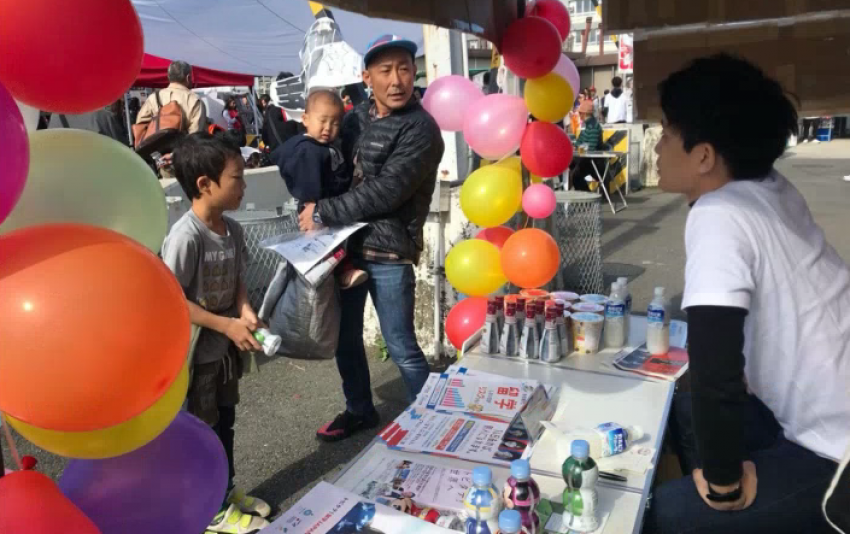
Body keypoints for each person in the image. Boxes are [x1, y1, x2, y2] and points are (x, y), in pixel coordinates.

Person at [644, 53, 849, 534]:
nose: (656, 147)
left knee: (665, 513)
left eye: (667, 134)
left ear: (704, 156)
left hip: (836, 449)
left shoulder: (719, 214)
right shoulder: (768, 185)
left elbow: (715, 364)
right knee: (678, 414)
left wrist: (724, 483)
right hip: (817, 409)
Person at [298, 34, 444, 442]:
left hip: (389, 249)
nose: (396, 80)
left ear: (415, 72)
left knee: (400, 344)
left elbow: (388, 191)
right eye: (385, 70)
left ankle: (432, 422)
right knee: (345, 341)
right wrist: (307, 196)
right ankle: (359, 409)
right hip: (345, 248)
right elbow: (329, 165)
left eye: (404, 68)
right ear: (367, 77)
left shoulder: (422, 129)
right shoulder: (354, 117)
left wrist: (323, 211)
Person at [161, 133, 272, 533]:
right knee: (200, 431)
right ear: (205, 184)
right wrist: (226, 323)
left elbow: (239, 281)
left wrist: (243, 310)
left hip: (224, 352)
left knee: (225, 421)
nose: (244, 185)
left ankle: (224, 491)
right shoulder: (185, 237)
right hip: (197, 357)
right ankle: (206, 509)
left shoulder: (233, 230)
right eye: (237, 178)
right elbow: (172, 301)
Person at [273, 89, 368, 288]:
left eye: (335, 123)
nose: (328, 128)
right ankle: (340, 273)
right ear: (305, 119)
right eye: (322, 121)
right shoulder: (307, 150)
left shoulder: (325, 146)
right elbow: (307, 181)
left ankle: (340, 271)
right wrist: (313, 209)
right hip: (315, 207)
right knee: (325, 243)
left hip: (331, 206)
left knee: (335, 241)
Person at [135, 61, 206, 176]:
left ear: (169, 77)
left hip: (162, 160)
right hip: (188, 161)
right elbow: (196, 136)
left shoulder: (154, 98)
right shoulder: (194, 100)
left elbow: (140, 125)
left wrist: (155, 153)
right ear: (188, 78)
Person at [570, 100, 602, 191]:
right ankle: (584, 191)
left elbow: (591, 147)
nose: (579, 115)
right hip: (588, 160)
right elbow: (579, 141)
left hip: (594, 162)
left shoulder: (593, 127)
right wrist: (575, 145)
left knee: (576, 174)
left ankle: (585, 194)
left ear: (584, 114)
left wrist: (578, 146)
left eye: (580, 113)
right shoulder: (588, 125)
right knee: (572, 166)